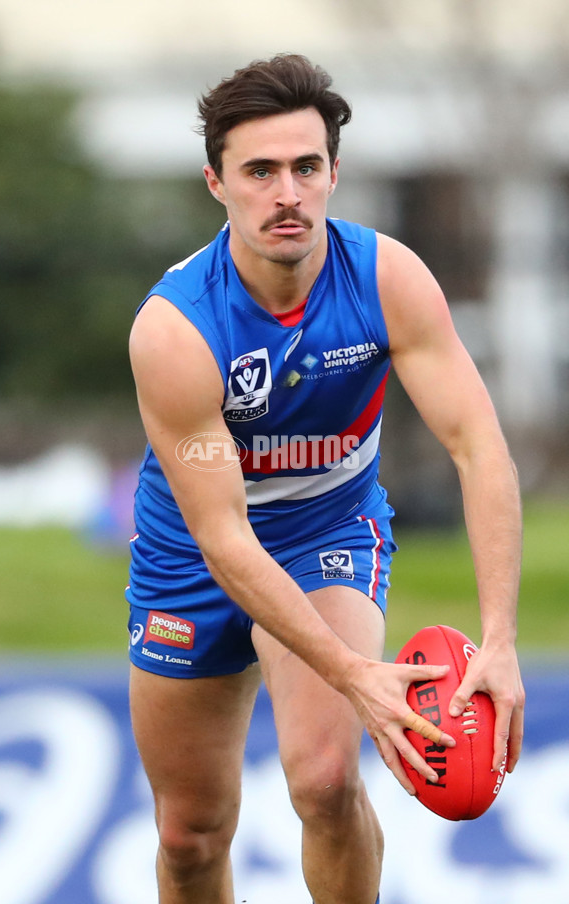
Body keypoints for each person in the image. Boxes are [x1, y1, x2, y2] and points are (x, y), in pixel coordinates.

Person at [126, 54, 524, 904]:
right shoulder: (175, 330)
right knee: (188, 833)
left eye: (306, 168)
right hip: (192, 557)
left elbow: (479, 448)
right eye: (260, 171)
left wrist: (499, 639)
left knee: (325, 782)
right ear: (216, 182)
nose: (288, 193)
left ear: (334, 173)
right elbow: (225, 541)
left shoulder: (388, 280)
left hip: (325, 536)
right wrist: (354, 674)